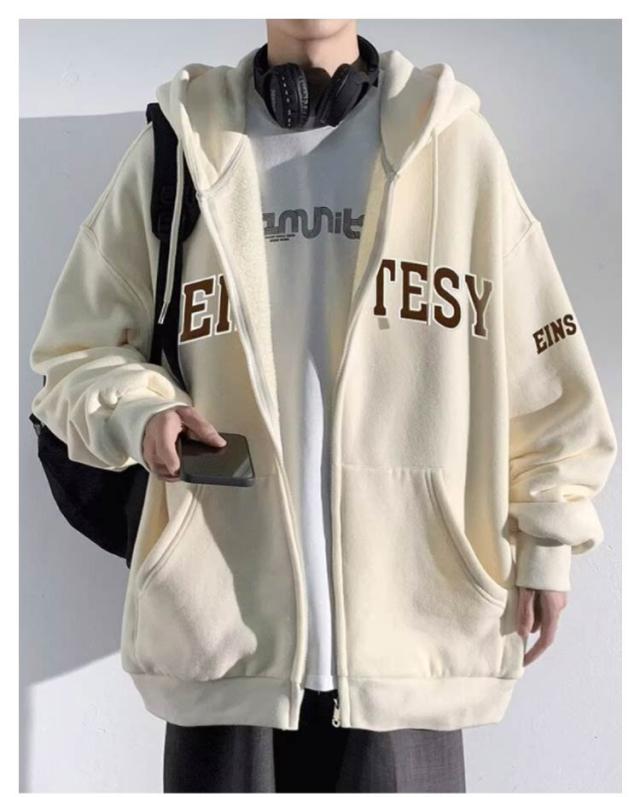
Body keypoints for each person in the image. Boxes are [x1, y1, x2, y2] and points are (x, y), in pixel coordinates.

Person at [29, 18, 617, 794]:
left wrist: (548, 539)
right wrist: (141, 413)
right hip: (223, 643)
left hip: (413, 641)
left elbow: (548, 377)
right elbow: (72, 356)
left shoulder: (458, 147)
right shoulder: (181, 148)